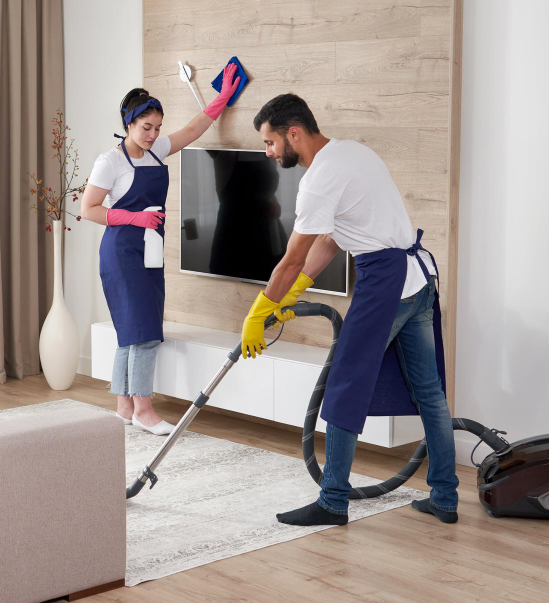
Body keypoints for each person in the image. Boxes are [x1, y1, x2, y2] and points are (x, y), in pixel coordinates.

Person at [239, 93, 458, 525]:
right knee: (429, 393)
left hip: (385, 284)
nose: (268, 152)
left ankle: (333, 501)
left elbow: (292, 257)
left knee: (344, 385)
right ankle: (446, 498)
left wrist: (258, 312)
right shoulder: (352, 152)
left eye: (269, 142)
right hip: (418, 281)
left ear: (293, 133)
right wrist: (297, 290)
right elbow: (332, 238)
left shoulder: (319, 179)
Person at [81, 63, 240, 435]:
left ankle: (123, 406)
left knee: (130, 330)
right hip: (121, 253)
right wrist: (134, 219)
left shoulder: (157, 151)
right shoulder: (110, 161)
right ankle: (145, 409)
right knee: (145, 332)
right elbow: (88, 209)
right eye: (144, 128)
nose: (153, 135)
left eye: (156, 128)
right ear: (128, 124)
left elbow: (192, 129)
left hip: (150, 251)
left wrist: (222, 98)